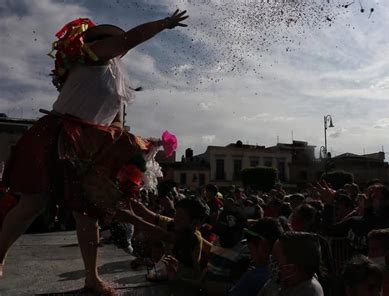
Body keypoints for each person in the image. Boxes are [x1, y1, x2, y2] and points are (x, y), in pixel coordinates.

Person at [0, 10, 188, 295]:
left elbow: (114, 126)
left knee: (87, 212)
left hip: (88, 145)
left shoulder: (117, 82)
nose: (116, 45)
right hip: (57, 134)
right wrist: (165, 24)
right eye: (111, 40)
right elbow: (131, 38)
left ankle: (91, 278)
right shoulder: (92, 54)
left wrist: (137, 144)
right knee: (33, 203)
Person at [229, 218, 283, 296]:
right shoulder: (288, 275)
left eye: (251, 249)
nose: (250, 255)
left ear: (262, 246)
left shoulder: (252, 278)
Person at [258, 232, 324, 296]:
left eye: (276, 258)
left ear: (292, 268)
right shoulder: (278, 281)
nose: (271, 260)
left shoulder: (310, 292)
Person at [203, 208, 250, 295]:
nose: (223, 237)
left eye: (227, 233)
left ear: (241, 232)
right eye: (222, 233)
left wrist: (206, 286)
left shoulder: (245, 250)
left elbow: (236, 287)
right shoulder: (218, 240)